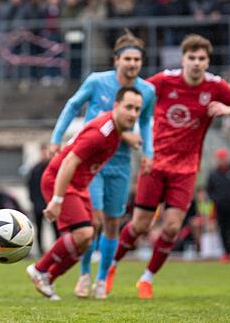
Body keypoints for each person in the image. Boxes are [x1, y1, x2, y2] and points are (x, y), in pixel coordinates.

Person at [107, 34, 230, 298]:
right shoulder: (164, 81)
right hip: (155, 162)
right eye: (192, 58)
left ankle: (147, 278)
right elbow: (133, 95)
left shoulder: (215, 87)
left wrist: (227, 109)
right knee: (140, 225)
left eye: (202, 59)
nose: (197, 63)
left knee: (173, 227)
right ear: (183, 59)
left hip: (186, 169)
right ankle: (111, 266)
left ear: (208, 61)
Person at [48, 31, 156, 299]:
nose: (132, 64)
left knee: (112, 223)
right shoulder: (98, 81)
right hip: (92, 162)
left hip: (120, 163)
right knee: (92, 220)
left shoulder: (147, 91)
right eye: (127, 58)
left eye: (137, 60)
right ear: (116, 59)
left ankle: (102, 279)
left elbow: (145, 123)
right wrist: (56, 137)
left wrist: (148, 153)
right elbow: (73, 105)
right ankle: (84, 275)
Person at [27, 87, 143, 301]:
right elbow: (69, 161)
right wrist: (57, 199)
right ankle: (39, 268)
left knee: (89, 237)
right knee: (84, 234)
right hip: (59, 180)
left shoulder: (116, 130)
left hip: (79, 185)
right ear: (116, 106)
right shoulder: (101, 133)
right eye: (129, 107)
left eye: (137, 109)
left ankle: (49, 278)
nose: (134, 113)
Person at [206, 148, 230, 263]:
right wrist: (216, 199)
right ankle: (226, 253)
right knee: (223, 230)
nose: (222, 161)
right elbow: (210, 190)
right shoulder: (213, 174)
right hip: (220, 207)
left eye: (224, 158)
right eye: (220, 158)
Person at [28, 143, 59, 257]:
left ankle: (56, 251)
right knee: (39, 230)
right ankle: (40, 252)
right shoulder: (35, 169)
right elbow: (30, 186)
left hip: (51, 204)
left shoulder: (53, 168)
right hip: (38, 206)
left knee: (55, 229)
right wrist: (34, 202)